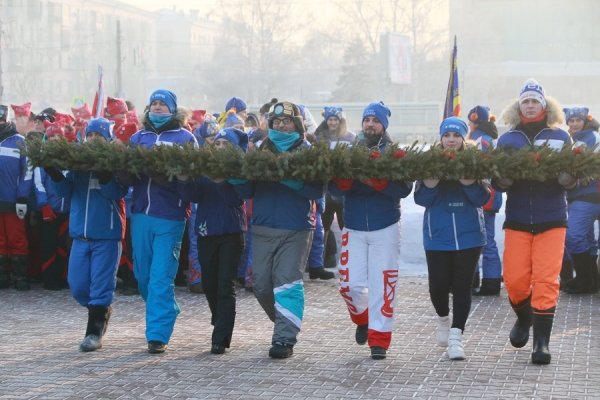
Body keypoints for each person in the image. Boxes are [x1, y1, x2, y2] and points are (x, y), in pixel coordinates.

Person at [231, 101, 325, 359]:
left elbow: (317, 190)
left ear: (297, 124)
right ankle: (287, 321)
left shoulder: (307, 151)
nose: (281, 125)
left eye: (286, 121)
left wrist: (290, 180)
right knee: (261, 286)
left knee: (287, 283)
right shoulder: (259, 150)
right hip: (262, 227)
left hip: (296, 228)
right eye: (276, 121)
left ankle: (284, 339)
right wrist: (238, 180)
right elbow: (248, 191)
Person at [494, 79, 572, 365]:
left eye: (534, 101)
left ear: (544, 105)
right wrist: (502, 179)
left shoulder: (560, 137)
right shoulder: (507, 140)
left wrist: (569, 178)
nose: (529, 105)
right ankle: (524, 318)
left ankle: (541, 343)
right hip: (517, 220)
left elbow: (573, 174)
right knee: (514, 280)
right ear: (518, 106)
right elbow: (497, 180)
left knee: (545, 280)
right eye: (525, 101)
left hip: (552, 218)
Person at [330, 102, 413, 360]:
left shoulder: (394, 153)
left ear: (383, 125)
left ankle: (379, 340)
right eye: (366, 120)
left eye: (375, 120)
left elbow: (404, 189)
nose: (370, 124)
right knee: (349, 285)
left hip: (385, 225)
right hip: (353, 226)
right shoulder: (350, 151)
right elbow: (334, 191)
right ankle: (363, 319)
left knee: (382, 285)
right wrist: (343, 183)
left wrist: (379, 183)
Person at [121, 89, 198, 354]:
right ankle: (165, 307)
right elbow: (127, 179)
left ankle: (157, 334)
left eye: (162, 104)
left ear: (173, 110)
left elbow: (192, 185)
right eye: (153, 103)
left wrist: (177, 180)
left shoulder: (185, 138)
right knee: (142, 276)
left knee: (160, 278)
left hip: (170, 217)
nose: (157, 107)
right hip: (141, 215)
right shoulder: (137, 138)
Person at [46, 118, 127, 352]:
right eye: (89, 135)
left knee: (101, 286)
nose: (92, 140)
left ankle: (94, 331)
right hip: (80, 235)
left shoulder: (115, 163)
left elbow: (117, 192)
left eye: (98, 136)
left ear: (107, 139)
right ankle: (101, 310)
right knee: (78, 285)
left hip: (107, 236)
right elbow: (65, 192)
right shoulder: (78, 165)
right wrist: (54, 174)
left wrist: (104, 173)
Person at [414, 117, 490, 360]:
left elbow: (482, 199)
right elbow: (421, 199)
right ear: (441, 137)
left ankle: (456, 337)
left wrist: (468, 183)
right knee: (437, 287)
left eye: (456, 135)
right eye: (447, 135)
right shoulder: (429, 161)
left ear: (463, 138)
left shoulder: (474, 161)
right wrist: (431, 183)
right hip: (437, 235)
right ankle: (443, 320)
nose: (451, 140)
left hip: (469, 237)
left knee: (461, 287)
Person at [178, 127, 248, 354]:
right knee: (209, 283)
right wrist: (185, 181)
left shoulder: (239, 169)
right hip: (206, 231)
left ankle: (220, 337)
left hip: (231, 232)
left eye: (225, 144)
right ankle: (220, 320)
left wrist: (224, 180)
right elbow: (192, 196)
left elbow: (237, 199)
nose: (218, 148)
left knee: (225, 284)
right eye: (216, 144)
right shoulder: (205, 168)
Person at [561, 106, 600, 294]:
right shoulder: (572, 140)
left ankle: (584, 279)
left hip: (589, 195)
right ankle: (591, 279)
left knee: (574, 236)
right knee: (586, 238)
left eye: (578, 120)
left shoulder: (591, 138)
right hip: (578, 196)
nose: (574, 123)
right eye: (571, 120)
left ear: (585, 121)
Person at [466, 106, 503, 296]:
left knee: (481, 241)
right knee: (486, 240)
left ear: (474, 122)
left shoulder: (478, 141)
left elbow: (476, 169)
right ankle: (489, 279)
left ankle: (487, 281)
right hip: (492, 196)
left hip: (483, 196)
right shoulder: (490, 139)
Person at [315, 106, 356, 268]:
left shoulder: (351, 137)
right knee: (324, 225)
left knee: (345, 225)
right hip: (326, 188)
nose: (332, 123)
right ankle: (320, 261)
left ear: (341, 121)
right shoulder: (320, 137)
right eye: (330, 120)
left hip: (344, 188)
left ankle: (348, 262)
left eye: (335, 120)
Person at [0, 104, 32, 290]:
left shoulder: (19, 141)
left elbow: (27, 172)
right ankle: (3, 276)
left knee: (17, 238)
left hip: (13, 200)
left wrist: (22, 197)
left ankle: (20, 276)